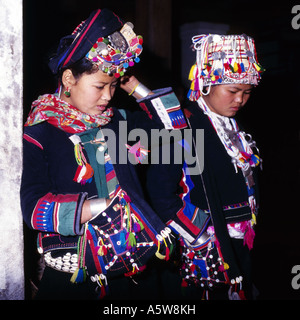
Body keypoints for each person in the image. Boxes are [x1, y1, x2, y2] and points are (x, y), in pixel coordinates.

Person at [21, 8, 185, 300]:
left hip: (134, 273)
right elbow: (33, 207)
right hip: (74, 275)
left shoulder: (117, 121)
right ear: (69, 80)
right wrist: (99, 207)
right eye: (99, 86)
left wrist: (133, 86)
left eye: (113, 86)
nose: (108, 96)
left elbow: (175, 129)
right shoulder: (39, 134)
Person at [146, 34, 264, 300]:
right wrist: (199, 237)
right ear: (206, 84)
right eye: (232, 91)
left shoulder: (234, 127)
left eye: (246, 93)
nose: (240, 100)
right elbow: (160, 192)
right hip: (203, 249)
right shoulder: (182, 126)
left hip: (240, 244)